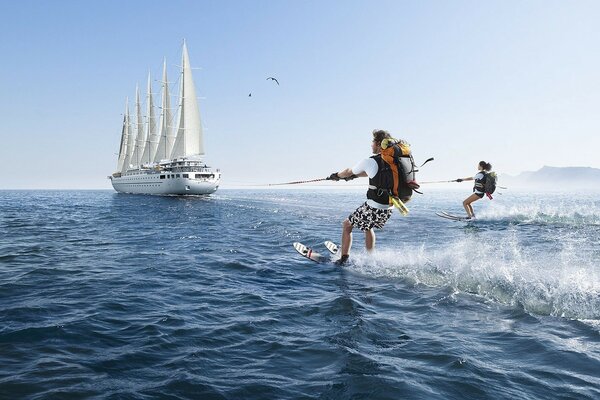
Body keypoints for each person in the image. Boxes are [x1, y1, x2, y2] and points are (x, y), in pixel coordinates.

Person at [328, 129, 398, 265]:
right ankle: (370, 257)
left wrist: (336, 175)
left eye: (373, 142)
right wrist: (354, 176)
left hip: (374, 206)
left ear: (378, 143)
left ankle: (343, 260)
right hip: (389, 206)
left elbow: (348, 171)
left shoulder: (371, 161)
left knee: (347, 225)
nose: (371, 145)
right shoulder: (392, 161)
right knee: (367, 226)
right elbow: (373, 173)